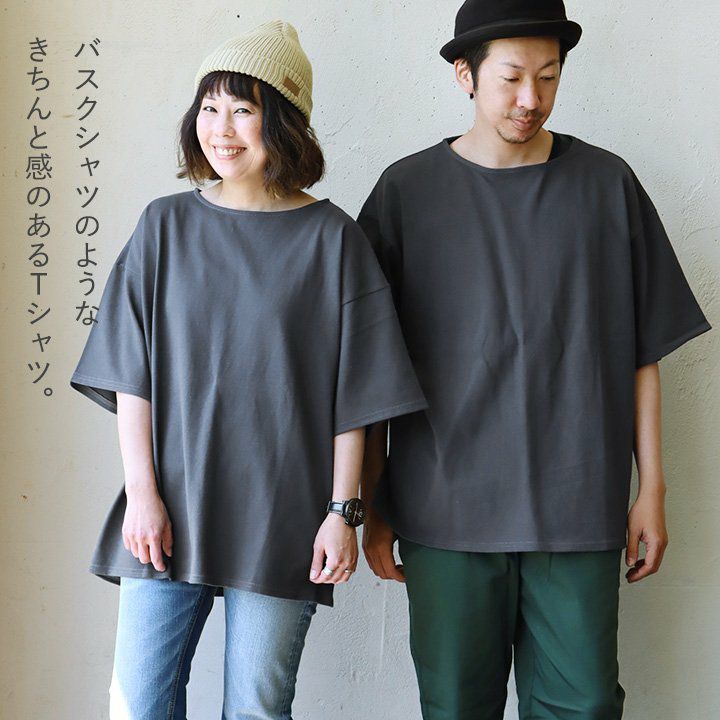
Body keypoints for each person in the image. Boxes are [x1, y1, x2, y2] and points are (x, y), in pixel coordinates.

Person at [357, 1, 711, 718]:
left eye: (548, 77)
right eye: (512, 77)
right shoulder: (405, 193)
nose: (531, 98)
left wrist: (652, 490)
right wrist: (373, 500)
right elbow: (369, 371)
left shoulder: (607, 185)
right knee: (455, 706)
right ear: (466, 75)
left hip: (577, 507)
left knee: (584, 706)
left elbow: (643, 352)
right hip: (444, 510)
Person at [70, 20, 426, 720]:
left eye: (242, 109)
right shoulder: (163, 227)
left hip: (283, 515)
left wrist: (342, 514)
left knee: (258, 710)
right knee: (136, 705)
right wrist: (141, 494)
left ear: (283, 122)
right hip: (167, 507)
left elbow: (356, 396)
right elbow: (131, 373)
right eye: (209, 107)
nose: (221, 128)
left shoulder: (333, 239)